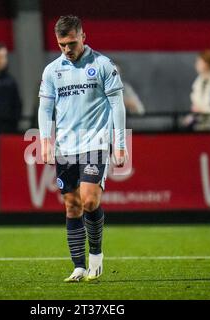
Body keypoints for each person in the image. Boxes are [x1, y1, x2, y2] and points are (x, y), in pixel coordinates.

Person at [38, 15, 127, 282]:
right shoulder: (52, 70)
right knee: (72, 206)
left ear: (83, 37)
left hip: (95, 143)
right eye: (62, 44)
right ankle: (78, 265)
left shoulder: (102, 65)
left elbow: (117, 105)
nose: (67, 48)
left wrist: (120, 144)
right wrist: (44, 140)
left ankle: (96, 255)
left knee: (90, 199)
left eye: (71, 42)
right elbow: (45, 108)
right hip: (66, 146)